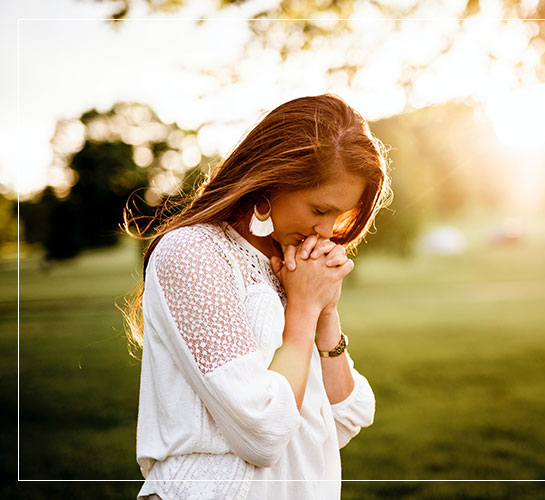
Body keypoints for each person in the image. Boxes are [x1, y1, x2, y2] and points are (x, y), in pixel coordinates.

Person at [122, 94, 392, 499]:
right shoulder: (195, 253)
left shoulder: (290, 265)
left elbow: (344, 417)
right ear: (271, 181)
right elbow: (263, 431)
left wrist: (325, 310)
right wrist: (302, 310)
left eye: (338, 216)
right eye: (319, 209)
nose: (327, 232)